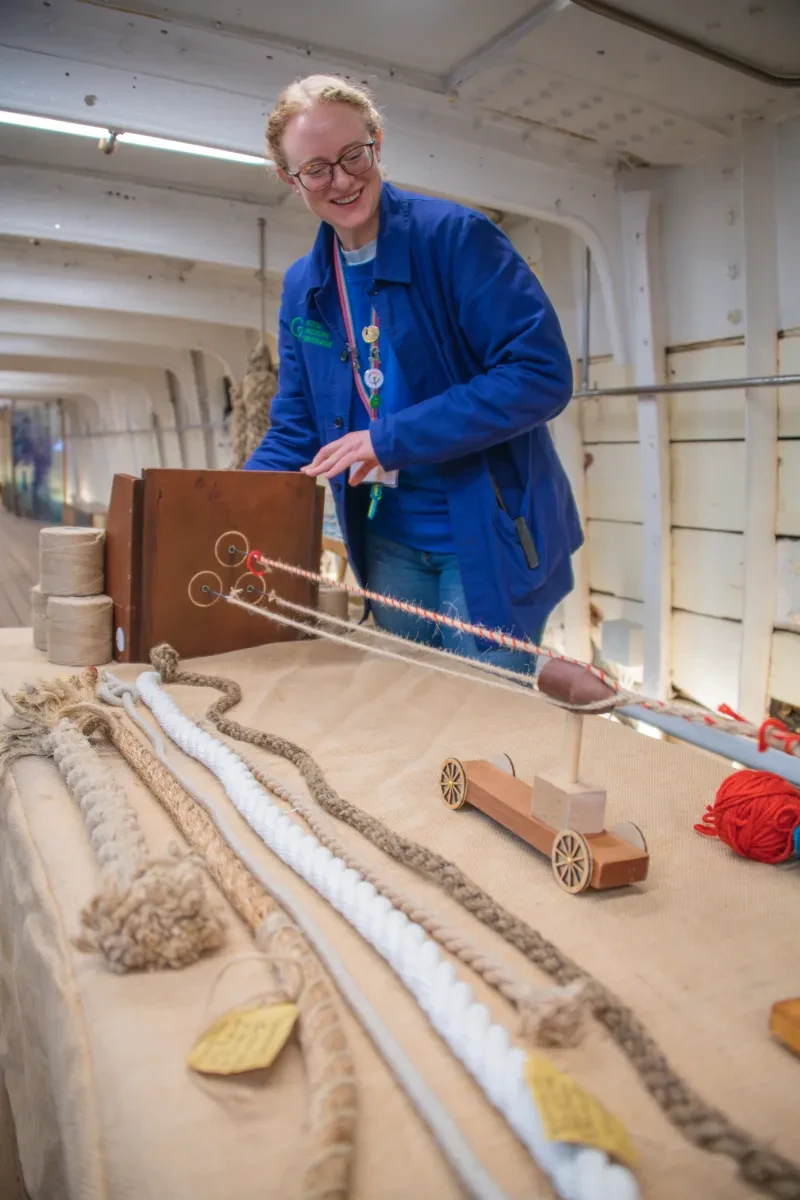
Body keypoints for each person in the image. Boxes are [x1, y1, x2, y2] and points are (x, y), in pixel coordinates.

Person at [245, 74, 582, 672]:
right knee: (413, 710)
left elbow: (540, 373)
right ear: (287, 178)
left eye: (354, 155)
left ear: (377, 141)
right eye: (317, 169)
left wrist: (389, 439)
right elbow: (298, 425)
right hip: (386, 539)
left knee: (487, 719)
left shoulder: (455, 240)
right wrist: (224, 503)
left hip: (485, 538)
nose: (343, 180)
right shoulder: (305, 285)